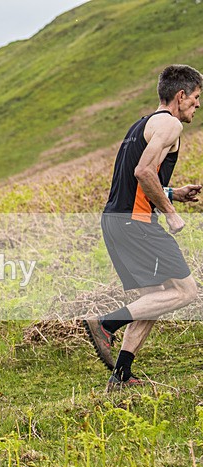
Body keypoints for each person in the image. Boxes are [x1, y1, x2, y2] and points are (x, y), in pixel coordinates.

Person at [84, 65, 202, 391]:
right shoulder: (170, 124)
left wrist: (172, 192)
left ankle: (121, 375)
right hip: (136, 223)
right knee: (185, 292)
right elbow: (143, 172)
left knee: (155, 298)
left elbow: (136, 182)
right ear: (181, 96)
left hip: (116, 221)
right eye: (195, 98)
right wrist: (171, 212)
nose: (197, 105)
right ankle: (105, 323)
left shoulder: (143, 125)